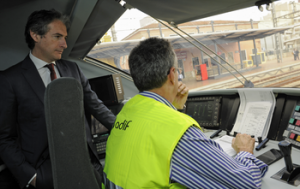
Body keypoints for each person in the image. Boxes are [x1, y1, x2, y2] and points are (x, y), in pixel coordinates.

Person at [103, 38, 268, 189]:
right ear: (172, 75)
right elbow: (247, 183)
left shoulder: (127, 111)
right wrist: (244, 150)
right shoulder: (177, 129)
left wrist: (176, 109)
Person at [0, 9, 116, 189]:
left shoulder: (73, 69)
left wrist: (125, 128)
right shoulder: (10, 80)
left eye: (65, 37)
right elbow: (4, 138)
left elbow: (97, 107)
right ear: (36, 35)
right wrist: (31, 176)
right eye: (57, 37)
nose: (64, 44)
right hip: (44, 173)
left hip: (85, 165)